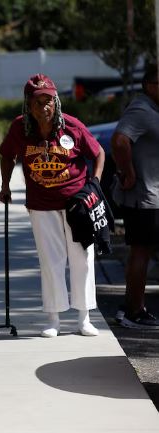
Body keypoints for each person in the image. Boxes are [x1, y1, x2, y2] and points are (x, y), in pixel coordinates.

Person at [0, 73, 105, 338]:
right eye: (37, 102)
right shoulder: (20, 128)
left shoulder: (72, 126)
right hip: (41, 205)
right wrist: (5, 186)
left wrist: (95, 184)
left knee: (82, 259)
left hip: (77, 204)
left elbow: (98, 153)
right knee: (51, 261)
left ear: (56, 102)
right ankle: (54, 318)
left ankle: (84, 317)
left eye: (48, 100)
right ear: (28, 104)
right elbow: (7, 156)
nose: (43, 107)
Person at [110, 65, 159, 329]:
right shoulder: (141, 109)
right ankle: (134, 312)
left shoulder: (153, 109)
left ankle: (130, 305)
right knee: (141, 252)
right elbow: (119, 141)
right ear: (150, 85)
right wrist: (127, 172)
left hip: (152, 196)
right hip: (144, 196)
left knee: (144, 251)